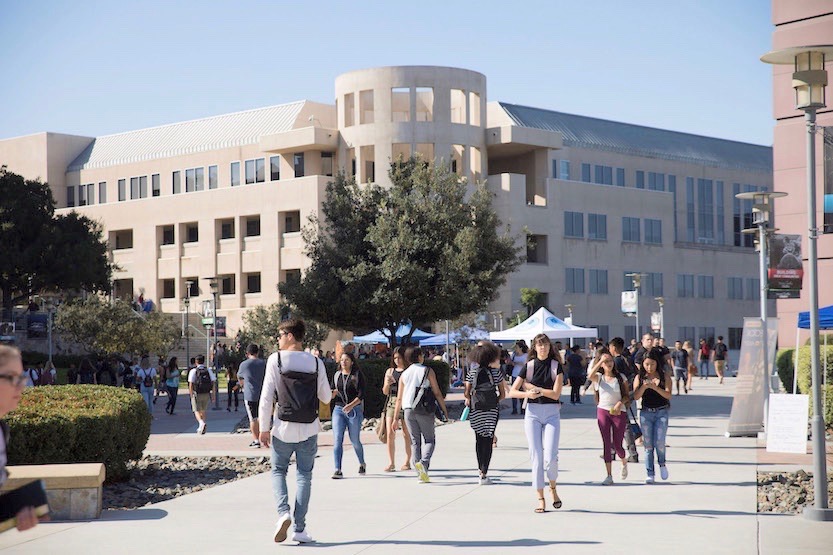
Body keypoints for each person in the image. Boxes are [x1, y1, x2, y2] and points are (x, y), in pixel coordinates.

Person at [258, 319, 331, 544]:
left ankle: (283, 513)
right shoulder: (316, 362)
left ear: (290, 335)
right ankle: (300, 529)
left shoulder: (276, 359)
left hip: (282, 427)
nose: (278, 340)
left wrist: (263, 428)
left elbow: (267, 396)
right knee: (304, 476)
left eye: (279, 335)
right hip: (309, 427)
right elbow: (326, 397)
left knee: (279, 471)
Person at [508, 333, 564, 513]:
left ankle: (553, 488)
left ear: (550, 347)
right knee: (536, 457)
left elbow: (556, 394)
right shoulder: (529, 366)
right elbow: (512, 392)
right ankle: (541, 498)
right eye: (540, 345)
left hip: (552, 413)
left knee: (551, 457)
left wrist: (536, 388)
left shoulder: (557, 367)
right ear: (534, 347)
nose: (543, 348)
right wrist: (527, 393)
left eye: (546, 345)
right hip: (532, 413)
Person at [0, 345, 43, 532]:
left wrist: (15, 511)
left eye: (21, 378)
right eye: (11, 377)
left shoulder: (2, 430)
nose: (20, 386)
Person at [392, 346, 448, 484]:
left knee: (415, 441)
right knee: (429, 440)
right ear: (419, 357)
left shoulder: (404, 374)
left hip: (408, 410)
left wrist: (395, 418)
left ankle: (420, 474)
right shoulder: (427, 370)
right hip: (423, 409)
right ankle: (424, 463)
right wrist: (444, 409)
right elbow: (436, 392)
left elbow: (399, 398)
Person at [464, 342, 506, 485]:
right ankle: (484, 472)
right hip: (491, 410)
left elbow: (467, 393)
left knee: (478, 439)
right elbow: (502, 393)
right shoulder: (495, 373)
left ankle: (479, 469)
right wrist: (495, 401)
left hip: (477, 409)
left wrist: (471, 399)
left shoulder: (472, 373)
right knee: (488, 440)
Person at [588, 351, 630, 485]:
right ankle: (609, 475)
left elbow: (627, 395)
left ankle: (624, 461)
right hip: (603, 410)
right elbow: (590, 376)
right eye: (606, 362)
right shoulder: (599, 377)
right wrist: (600, 361)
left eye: (610, 361)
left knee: (618, 445)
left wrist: (620, 403)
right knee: (607, 443)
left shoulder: (620, 377)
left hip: (619, 412)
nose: (609, 364)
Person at [632, 348, 673, 484]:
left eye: (652, 364)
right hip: (645, 413)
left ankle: (662, 463)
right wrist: (644, 387)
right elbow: (635, 396)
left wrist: (656, 388)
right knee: (648, 444)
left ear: (657, 363)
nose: (649, 367)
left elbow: (668, 395)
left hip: (661, 412)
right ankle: (650, 472)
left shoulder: (664, 376)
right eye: (647, 364)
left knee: (660, 442)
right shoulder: (639, 377)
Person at [330, 352, 367, 479]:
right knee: (337, 439)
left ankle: (362, 463)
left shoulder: (357, 375)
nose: (343, 362)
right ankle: (337, 469)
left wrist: (351, 405)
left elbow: (361, 395)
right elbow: (332, 390)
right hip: (339, 410)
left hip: (354, 410)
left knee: (355, 440)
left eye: (346, 360)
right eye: (342, 360)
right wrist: (332, 393)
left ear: (352, 362)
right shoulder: (337, 376)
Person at [381, 346, 412, 471]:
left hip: (405, 401)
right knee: (390, 433)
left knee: (406, 433)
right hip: (392, 401)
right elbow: (384, 391)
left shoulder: (408, 371)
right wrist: (388, 384)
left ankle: (408, 461)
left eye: (399, 357)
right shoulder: (389, 371)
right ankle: (391, 462)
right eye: (395, 358)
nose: (397, 360)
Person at [238, 343, 267, 448]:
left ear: (247, 353)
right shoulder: (264, 363)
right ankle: (264, 438)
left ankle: (256, 440)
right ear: (258, 352)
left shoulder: (244, 365)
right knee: (263, 417)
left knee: (253, 419)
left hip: (250, 395)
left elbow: (240, 378)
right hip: (263, 394)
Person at [188, 354, 216, 434]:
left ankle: (201, 423)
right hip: (206, 393)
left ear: (196, 362)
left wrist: (191, 394)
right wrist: (213, 395)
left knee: (196, 410)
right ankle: (201, 428)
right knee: (203, 410)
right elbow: (213, 382)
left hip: (197, 393)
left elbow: (191, 384)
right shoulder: (208, 370)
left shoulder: (193, 371)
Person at [509, 340, 529, 415]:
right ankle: (514, 409)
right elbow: (511, 362)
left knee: (522, 392)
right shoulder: (514, 355)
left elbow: (527, 364)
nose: (515, 349)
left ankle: (522, 408)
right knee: (514, 392)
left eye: (517, 347)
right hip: (514, 374)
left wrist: (521, 363)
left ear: (520, 348)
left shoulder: (526, 355)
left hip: (523, 375)